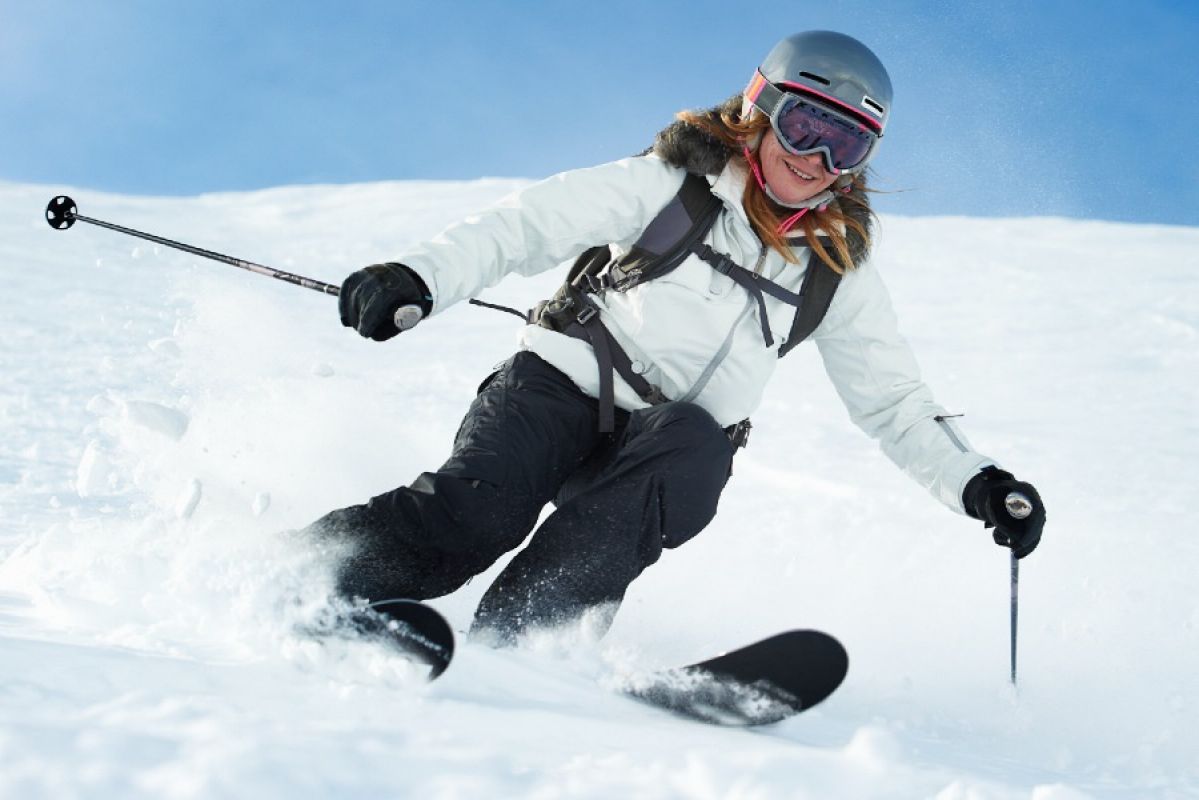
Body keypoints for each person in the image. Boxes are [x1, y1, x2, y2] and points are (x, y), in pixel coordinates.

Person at [306, 30, 1046, 644]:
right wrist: (418, 277)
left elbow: (894, 404)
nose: (816, 159)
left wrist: (979, 485)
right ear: (761, 111)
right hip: (556, 390)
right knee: (475, 517)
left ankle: (527, 639)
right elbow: (526, 226)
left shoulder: (835, 269)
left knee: (693, 448)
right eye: (804, 127)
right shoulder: (669, 185)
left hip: (662, 447)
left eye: (845, 147)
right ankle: (309, 576)